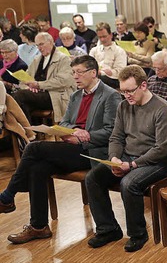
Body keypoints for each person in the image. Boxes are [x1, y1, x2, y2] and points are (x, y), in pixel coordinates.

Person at [0, 55, 121, 243]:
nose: (75, 77)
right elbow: (64, 121)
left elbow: (112, 131)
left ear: (93, 73)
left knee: (34, 148)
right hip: (71, 146)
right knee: (37, 168)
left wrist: (85, 135)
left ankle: (8, 195)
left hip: (93, 151)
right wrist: (71, 131)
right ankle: (39, 226)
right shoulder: (75, 95)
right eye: (73, 72)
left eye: (79, 72)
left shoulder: (110, 95)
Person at [85, 65, 167, 252]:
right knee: (93, 178)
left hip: (157, 162)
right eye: (123, 91)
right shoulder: (123, 106)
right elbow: (116, 137)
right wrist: (114, 158)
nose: (126, 95)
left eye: (130, 91)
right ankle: (108, 228)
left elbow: (162, 149)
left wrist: (132, 164)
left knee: (129, 183)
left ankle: (138, 234)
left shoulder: (163, 109)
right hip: (129, 156)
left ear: (143, 86)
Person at [13, 32, 75, 124]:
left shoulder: (64, 59)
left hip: (55, 95)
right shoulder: (36, 60)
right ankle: (31, 133)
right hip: (38, 95)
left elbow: (63, 81)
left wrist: (39, 85)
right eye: (37, 45)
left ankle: (26, 133)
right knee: (22, 104)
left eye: (41, 44)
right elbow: (24, 79)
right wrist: (29, 88)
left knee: (20, 95)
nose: (39, 48)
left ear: (51, 42)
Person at [89, 22, 127, 89]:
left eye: (104, 36)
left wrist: (105, 72)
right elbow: (89, 66)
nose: (102, 39)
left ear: (111, 35)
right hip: (96, 77)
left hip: (113, 80)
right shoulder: (94, 50)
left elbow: (121, 72)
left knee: (101, 79)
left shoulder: (119, 51)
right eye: (100, 37)